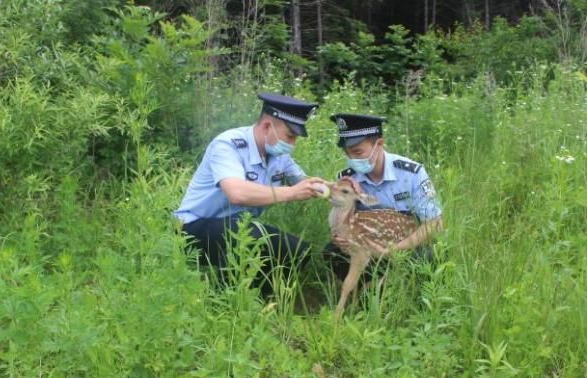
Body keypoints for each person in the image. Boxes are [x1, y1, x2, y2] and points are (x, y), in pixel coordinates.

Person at [175, 92, 325, 293]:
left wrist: (337, 188)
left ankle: (260, 303)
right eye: (290, 136)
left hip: (239, 227)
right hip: (193, 227)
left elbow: (305, 182)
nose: (292, 144)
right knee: (250, 239)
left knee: (297, 250)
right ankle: (225, 302)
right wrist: (291, 192)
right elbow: (237, 193)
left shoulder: (279, 155)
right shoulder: (228, 144)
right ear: (266, 127)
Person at [324, 113, 444, 281]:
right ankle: (362, 295)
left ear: (379, 144)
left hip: (407, 242)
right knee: (332, 252)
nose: (352, 159)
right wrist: (338, 238)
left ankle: (408, 294)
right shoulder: (348, 180)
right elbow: (340, 218)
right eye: (347, 153)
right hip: (368, 245)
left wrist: (394, 249)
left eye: (358, 152)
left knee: (427, 256)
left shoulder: (411, 173)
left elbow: (434, 223)